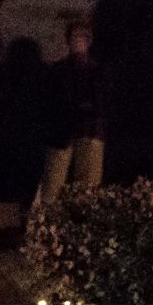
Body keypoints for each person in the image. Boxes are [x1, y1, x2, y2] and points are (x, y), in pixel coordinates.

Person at [35, 20, 108, 205]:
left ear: (88, 41)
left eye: (81, 38)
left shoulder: (97, 70)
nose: (78, 42)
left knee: (88, 188)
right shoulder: (59, 70)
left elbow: (101, 103)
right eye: (74, 38)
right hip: (62, 133)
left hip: (89, 131)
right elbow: (51, 101)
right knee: (52, 185)